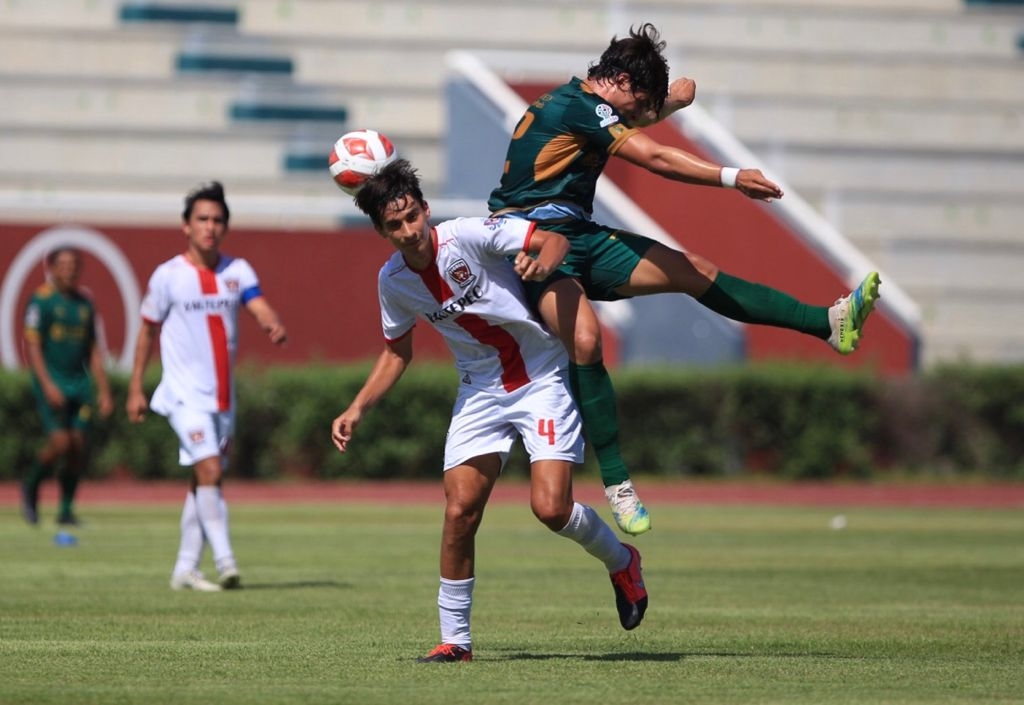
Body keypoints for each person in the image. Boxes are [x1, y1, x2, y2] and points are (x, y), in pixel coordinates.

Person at [488, 22, 881, 536]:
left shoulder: (593, 104)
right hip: (531, 241)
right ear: (623, 82)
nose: (641, 116)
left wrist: (669, 101)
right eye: (640, 103)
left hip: (576, 235)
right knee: (586, 338)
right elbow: (650, 155)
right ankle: (617, 483)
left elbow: (632, 118)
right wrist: (731, 176)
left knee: (697, 270)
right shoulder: (576, 107)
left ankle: (827, 323)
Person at [331, 160, 648, 663]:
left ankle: (621, 560)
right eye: (395, 224)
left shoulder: (469, 236)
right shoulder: (393, 281)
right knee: (459, 512)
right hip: (479, 389)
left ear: (425, 209)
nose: (409, 230)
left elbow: (553, 240)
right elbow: (396, 351)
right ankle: (455, 641)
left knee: (551, 509)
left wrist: (541, 263)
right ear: (380, 230)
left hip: (542, 377)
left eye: (413, 215)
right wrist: (357, 407)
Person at [125, 181, 287, 592]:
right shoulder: (168, 276)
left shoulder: (237, 270)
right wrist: (135, 387)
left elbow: (257, 300)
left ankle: (184, 569)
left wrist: (270, 321)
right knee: (211, 470)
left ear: (225, 226)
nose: (209, 227)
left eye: (217, 220)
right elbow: (146, 333)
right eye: (202, 219)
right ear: (186, 226)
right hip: (182, 395)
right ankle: (226, 562)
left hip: (222, 399)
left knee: (203, 480)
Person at [20, 247, 114, 526]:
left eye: (74, 264)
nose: (69, 270)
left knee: (77, 447)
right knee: (60, 443)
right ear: (51, 268)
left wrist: (104, 389)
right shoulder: (41, 301)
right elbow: (34, 346)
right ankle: (31, 484)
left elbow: (94, 349)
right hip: (53, 382)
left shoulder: (84, 303)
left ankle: (65, 510)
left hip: (80, 385)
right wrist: (47, 384)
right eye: (63, 264)